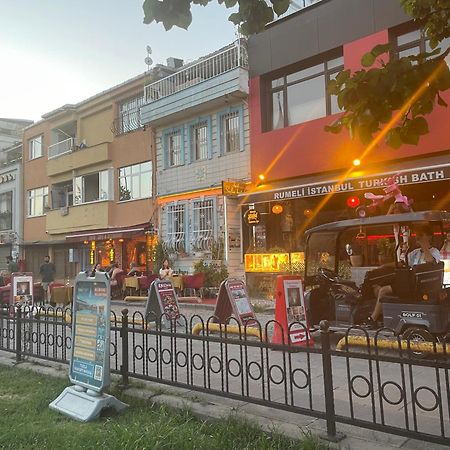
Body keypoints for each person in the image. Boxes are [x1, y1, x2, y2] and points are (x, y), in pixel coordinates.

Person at [366, 224, 441, 327]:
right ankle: (383, 315)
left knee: (384, 290)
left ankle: (373, 319)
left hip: (420, 286)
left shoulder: (434, 252)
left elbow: (431, 262)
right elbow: (402, 263)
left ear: (429, 236)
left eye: (421, 235)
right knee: (377, 288)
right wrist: (384, 266)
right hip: (409, 282)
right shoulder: (415, 252)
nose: (417, 237)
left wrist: (424, 245)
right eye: (417, 235)